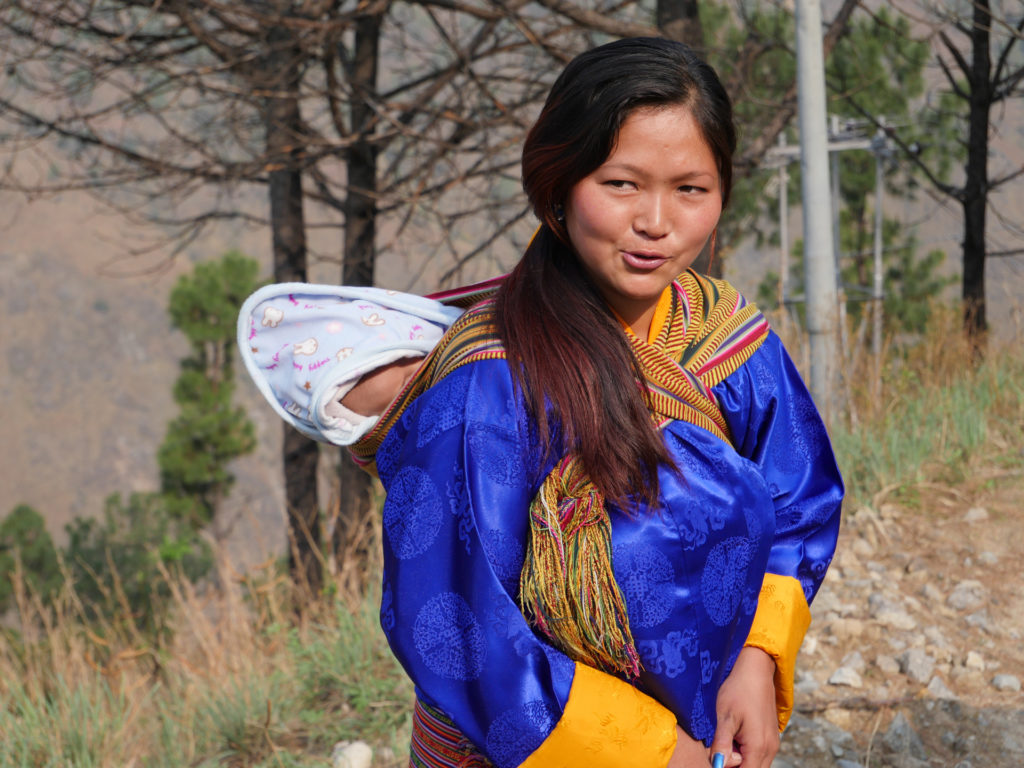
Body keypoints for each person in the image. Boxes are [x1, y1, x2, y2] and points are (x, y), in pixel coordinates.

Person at [240, 36, 842, 768]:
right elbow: (459, 629)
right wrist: (657, 755)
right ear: (556, 184)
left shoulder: (724, 337)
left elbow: (800, 499)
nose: (656, 221)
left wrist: (756, 657)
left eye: (691, 189)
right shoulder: (487, 386)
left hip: (711, 727)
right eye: (621, 184)